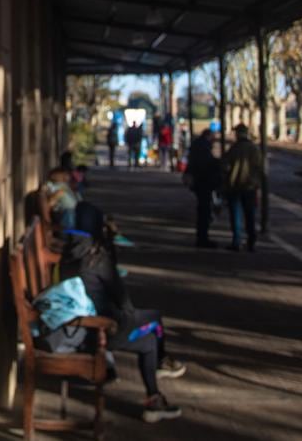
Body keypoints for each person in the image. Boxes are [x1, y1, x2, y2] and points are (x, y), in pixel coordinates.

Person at [58, 202, 185, 422]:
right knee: (152, 327)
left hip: (78, 330)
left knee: (151, 331)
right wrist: (127, 319)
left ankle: (156, 390)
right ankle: (157, 383)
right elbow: (122, 299)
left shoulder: (67, 257)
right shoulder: (98, 260)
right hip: (102, 331)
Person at [222, 124, 263, 252]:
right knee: (250, 215)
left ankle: (236, 241)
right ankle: (251, 241)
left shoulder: (233, 149)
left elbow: (225, 166)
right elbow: (259, 167)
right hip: (250, 187)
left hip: (234, 186)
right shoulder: (254, 149)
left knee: (236, 215)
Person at [185, 128, 221, 248]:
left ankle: (202, 237)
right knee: (204, 211)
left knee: (204, 210)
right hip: (204, 182)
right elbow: (205, 164)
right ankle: (202, 238)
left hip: (200, 182)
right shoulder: (204, 148)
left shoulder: (198, 146)